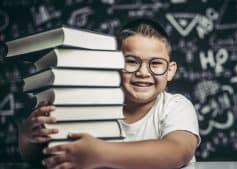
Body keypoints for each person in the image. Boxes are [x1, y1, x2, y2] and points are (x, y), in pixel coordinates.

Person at [18, 18, 200, 169]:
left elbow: (177, 152)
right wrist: (28, 137)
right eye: (131, 61)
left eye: (156, 64)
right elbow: (46, 158)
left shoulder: (176, 107)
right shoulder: (89, 109)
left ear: (170, 70)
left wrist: (99, 153)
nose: (143, 72)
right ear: (112, 64)